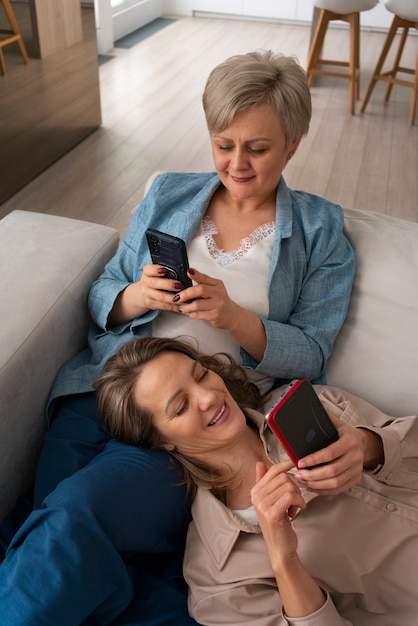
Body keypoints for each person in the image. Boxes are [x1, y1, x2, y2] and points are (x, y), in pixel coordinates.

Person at [0, 51, 356, 625]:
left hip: (187, 428)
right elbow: (102, 294)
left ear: (293, 143)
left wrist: (235, 318)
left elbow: (313, 354)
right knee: (43, 522)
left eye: (258, 149)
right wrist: (136, 296)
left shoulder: (321, 233)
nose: (236, 164)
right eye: (223, 144)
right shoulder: (168, 193)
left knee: (69, 519)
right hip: (102, 389)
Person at [95, 336, 418, 626]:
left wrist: (369, 447)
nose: (208, 396)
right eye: (180, 407)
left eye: (202, 375)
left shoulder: (317, 405)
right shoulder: (218, 580)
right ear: (161, 441)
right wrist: (283, 558)